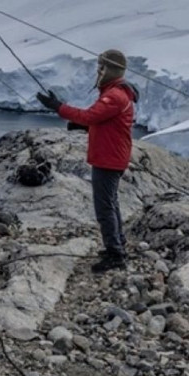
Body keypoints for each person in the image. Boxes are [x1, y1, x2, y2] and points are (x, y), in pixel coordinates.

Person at [36, 49, 140, 273]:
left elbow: (91, 116)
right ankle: (117, 243)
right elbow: (100, 120)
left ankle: (115, 254)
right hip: (112, 156)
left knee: (104, 207)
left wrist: (58, 107)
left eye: (101, 68)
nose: (98, 72)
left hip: (108, 159)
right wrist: (85, 125)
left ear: (109, 70)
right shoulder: (116, 93)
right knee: (111, 203)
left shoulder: (114, 95)